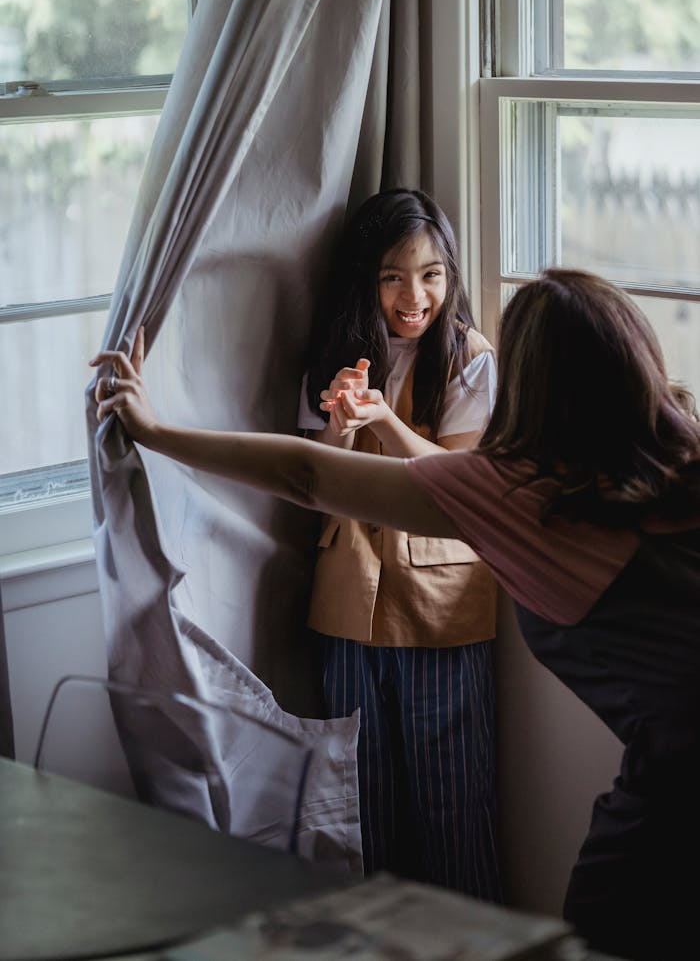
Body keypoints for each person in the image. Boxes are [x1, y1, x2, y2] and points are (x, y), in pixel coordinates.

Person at [92, 268, 700, 961]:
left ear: (533, 386)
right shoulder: (682, 447)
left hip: (678, 790)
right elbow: (441, 486)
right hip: (670, 773)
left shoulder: (532, 496)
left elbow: (310, 476)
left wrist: (155, 429)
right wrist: (382, 421)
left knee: (603, 928)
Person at [297, 188, 501, 899]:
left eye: (431, 274)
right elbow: (315, 475)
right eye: (393, 277)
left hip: (441, 603)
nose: (415, 296)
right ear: (367, 280)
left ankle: (481, 945)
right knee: (362, 805)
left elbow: (447, 478)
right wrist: (340, 423)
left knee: (453, 807)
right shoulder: (335, 353)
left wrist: (380, 415)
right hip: (347, 598)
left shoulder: (470, 358)